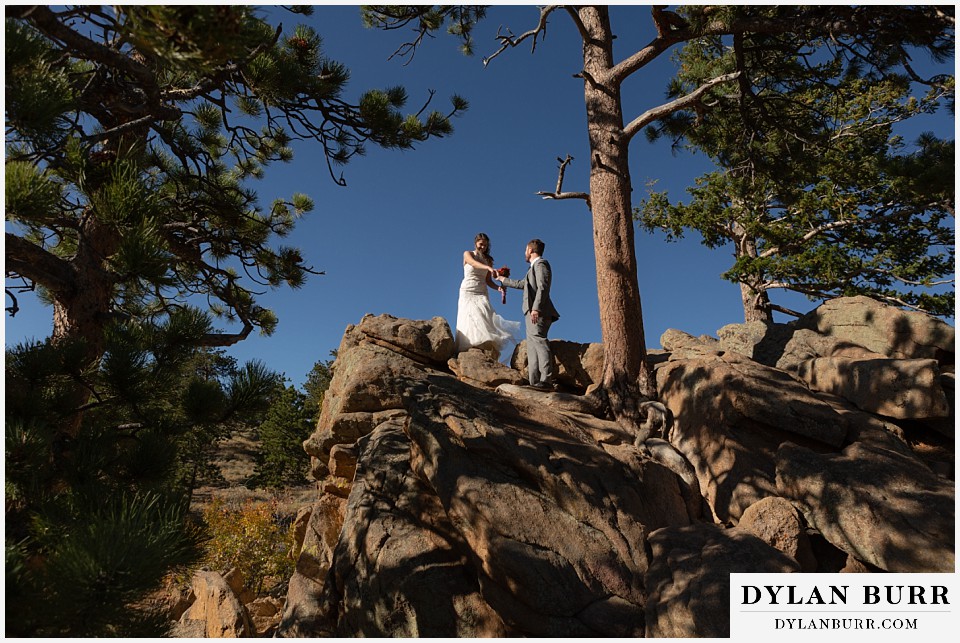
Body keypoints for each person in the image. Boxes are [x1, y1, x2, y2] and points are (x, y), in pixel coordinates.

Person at [498, 238, 560, 390]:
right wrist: (502, 279)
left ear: (531, 250)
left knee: (539, 341)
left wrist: (536, 308)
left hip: (538, 312)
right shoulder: (532, 269)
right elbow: (522, 284)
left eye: (526, 250)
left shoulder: (541, 264)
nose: (524, 253)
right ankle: (535, 383)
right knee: (532, 348)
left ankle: (546, 381)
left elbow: (543, 287)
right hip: (530, 312)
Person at [455, 233, 522, 361]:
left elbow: (488, 281)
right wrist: (488, 268)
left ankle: (483, 348)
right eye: (481, 244)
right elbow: (473, 264)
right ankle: (469, 346)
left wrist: (499, 288)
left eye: (485, 245)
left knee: (484, 316)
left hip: (482, 291)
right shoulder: (468, 254)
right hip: (468, 289)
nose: (483, 247)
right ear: (476, 243)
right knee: (470, 316)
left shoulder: (489, 260)